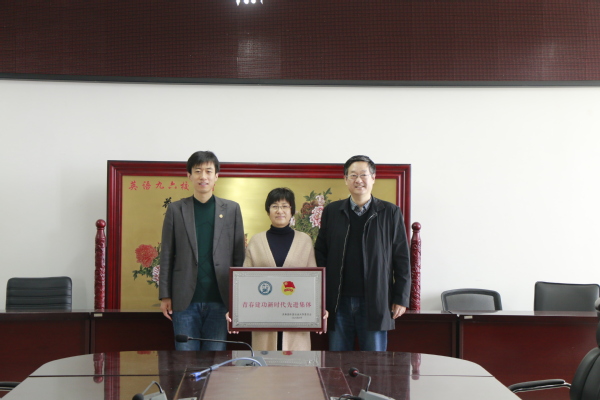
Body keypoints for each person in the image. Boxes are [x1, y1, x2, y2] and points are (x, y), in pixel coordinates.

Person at [315, 155, 411, 351]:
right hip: (338, 302)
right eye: (353, 175)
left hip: (375, 301)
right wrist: (320, 297)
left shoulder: (390, 212)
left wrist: (401, 298)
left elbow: (401, 257)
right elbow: (321, 254)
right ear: (345, 179)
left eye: (363, 175)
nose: (358, 180)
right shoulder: (332, 211)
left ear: (373, 178)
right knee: (338, 362)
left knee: (375, 363)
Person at [158, 151, 245, 351]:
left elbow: (239, 257)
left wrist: (238, 299)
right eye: (197, 171)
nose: (203, 176)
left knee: (215, 361)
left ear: (216, 176)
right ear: (189, 175)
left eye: (208, 171)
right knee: (185, 361)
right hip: (184, 302)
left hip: (220, 300)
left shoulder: (231, 209)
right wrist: (165, 295)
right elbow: (167, 255)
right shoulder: (176, 210)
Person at [240, 187, 319, 351]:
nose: (280, 211)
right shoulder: (256, 241)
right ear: (268, 210)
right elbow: (244, 283)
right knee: (265, 364)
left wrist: (318, 311)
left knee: (295, 364)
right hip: (263, 318)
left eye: (285, 206)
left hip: (296, 318)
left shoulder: (305, 241)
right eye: (274, 206)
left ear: (292, 210)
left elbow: (314, 283)